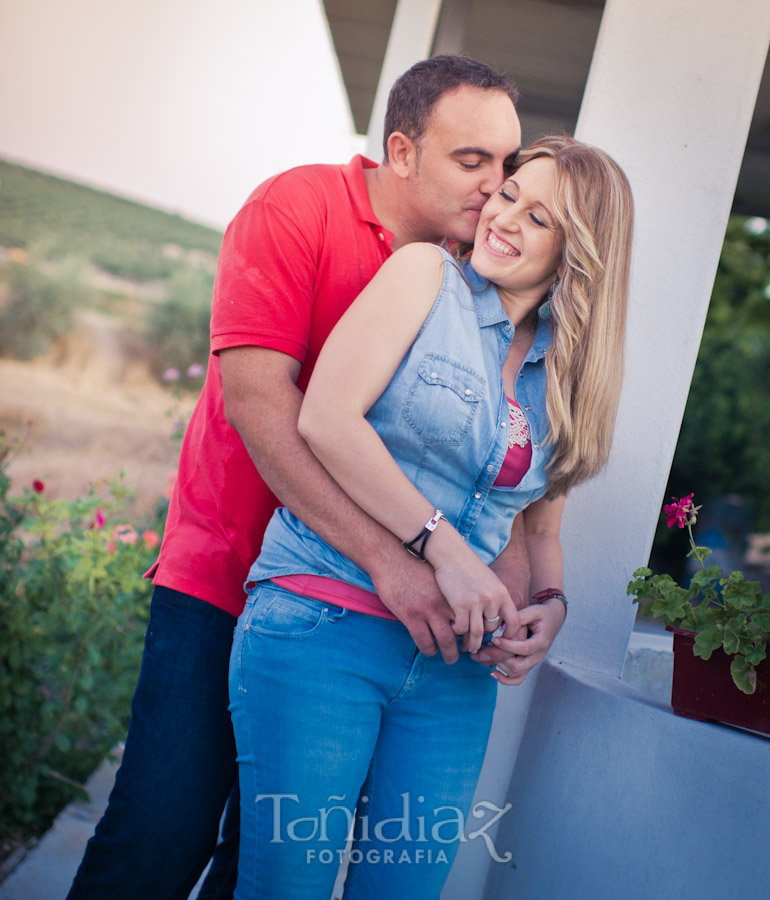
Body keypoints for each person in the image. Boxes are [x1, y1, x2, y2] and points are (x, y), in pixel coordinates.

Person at [66, 56, 529, 900]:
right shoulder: (298, 206)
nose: (496, 187)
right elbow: (258, 400)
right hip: (227, 576)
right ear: (401, 151)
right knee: (160, 833)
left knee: (267, 862)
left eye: (507, 165)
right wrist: (397, 562)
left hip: (349, 609)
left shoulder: (477, 277)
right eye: (473, 162)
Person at [228, 135, 634, 899]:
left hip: (453, 672)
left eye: (537, 217)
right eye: (510, 193)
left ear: (576, 255)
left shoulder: (566, 376)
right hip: (325, 622)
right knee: (290, 887)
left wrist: (548, 605)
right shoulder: (425, 277)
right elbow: (327, 418)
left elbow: (535, 527)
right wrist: (439, 548)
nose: (502, 216)